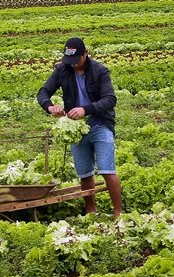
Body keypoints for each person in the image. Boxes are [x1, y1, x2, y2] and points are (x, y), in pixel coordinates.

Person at [37, 37, 123, 217]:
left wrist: (86, 109)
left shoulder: (100, 71)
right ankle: (91, 212)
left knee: (107, 169)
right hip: (76, 128)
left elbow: (110, 99)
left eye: (77, 60)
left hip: (100, 123)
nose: (74, 65)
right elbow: (43, 92)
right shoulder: (62, 70)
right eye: (70, 61)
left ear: (85, 54)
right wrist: (50, 106)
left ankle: (118, 214)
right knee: (84, 172)